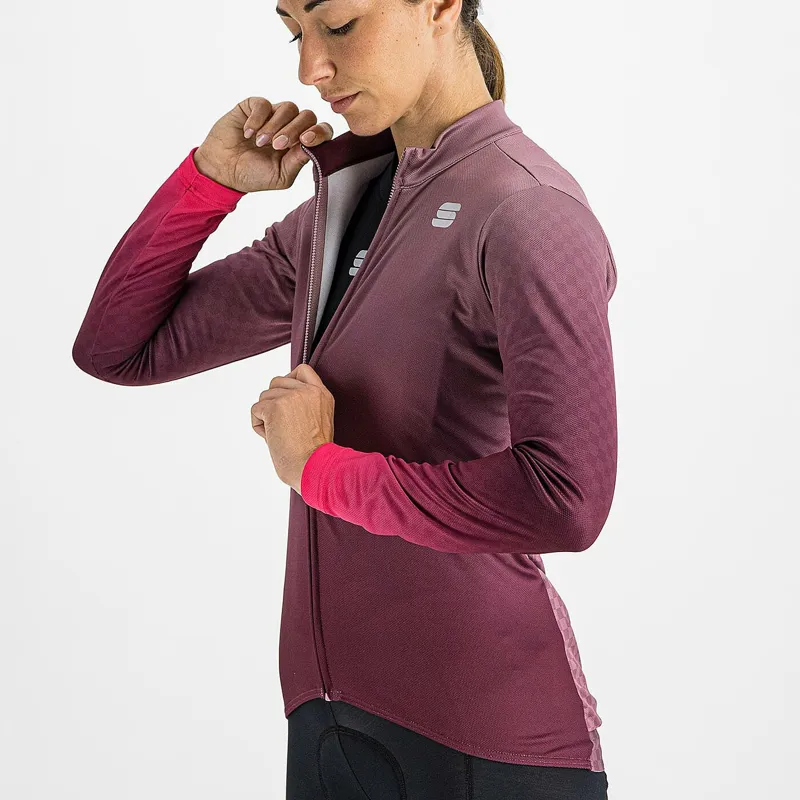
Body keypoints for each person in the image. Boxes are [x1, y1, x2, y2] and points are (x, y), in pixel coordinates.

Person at [72, 0, 618, 797]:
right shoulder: (350, 205)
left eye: (338, 25)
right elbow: (120, 349)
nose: (309, 69)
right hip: (327, 732)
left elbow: (567, 501)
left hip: (490, 744)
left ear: (440, 6)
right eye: (294, 32)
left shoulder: (528, 210)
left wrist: (321, 470)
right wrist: (205, 183)